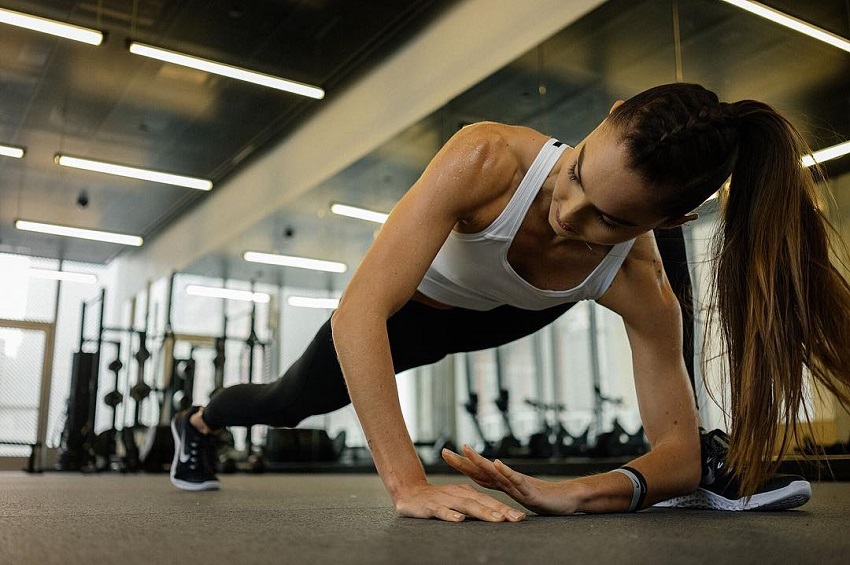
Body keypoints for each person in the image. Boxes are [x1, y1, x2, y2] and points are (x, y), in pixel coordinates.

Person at [169, 83, 850, 521]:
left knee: (653, 303)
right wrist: (410, 482)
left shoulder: (638, 279)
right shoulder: (487, 160)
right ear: (609, 116)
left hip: (510, 313)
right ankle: (196, 420)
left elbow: (677, 453)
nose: (566, 213)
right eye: (579, 172)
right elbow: (358, 314)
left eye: (605, 219)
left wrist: (574, 489)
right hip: (414, 313)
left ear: (668, 221)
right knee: (288, 402)